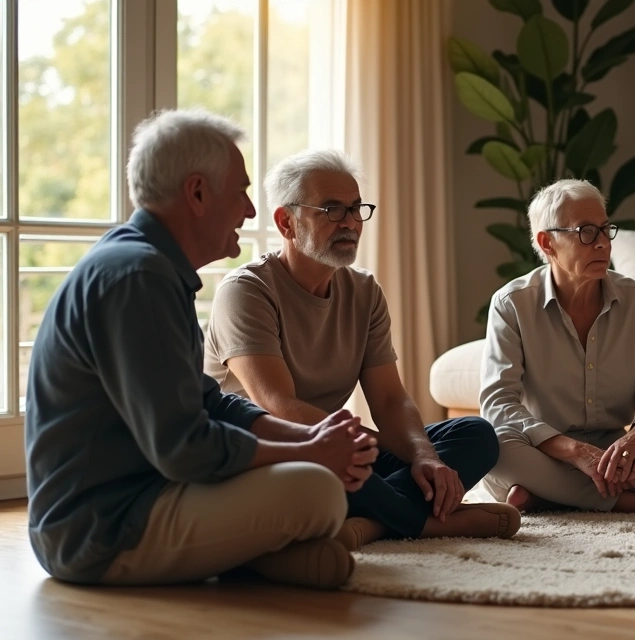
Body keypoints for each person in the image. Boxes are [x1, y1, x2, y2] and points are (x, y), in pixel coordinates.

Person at [25, 110, 377, 590]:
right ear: (196, 193)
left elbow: (211, 402)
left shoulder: (150, 267)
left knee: (313, 477)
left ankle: (261, 559)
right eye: (241, 192)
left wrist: (308, 439)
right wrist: (310, 453)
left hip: (145, 494)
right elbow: (184, 448)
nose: (249, 211)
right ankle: (257, 556)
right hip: (98, 531)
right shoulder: (139, 277)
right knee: (317, 490)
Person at [204, 149, 519, 548]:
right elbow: (279, 407)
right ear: (286, 222)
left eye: (356, 208)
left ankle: (371, 522)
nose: (350, 222)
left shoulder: (364, 291)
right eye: (332, 210)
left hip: (337, 447)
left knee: (476, 434)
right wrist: (363, 446)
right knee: (327, 470)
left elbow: (389, 400)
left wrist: (423, 455)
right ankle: (422, 523)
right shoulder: (245, 291)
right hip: (270, 452)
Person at [480, 179, 635, 514]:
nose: (603, 243)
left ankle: (549, 496)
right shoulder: (511, 304)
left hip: (619, 456)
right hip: (545, 452)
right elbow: (499, 404)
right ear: (547, 242)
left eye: (605, 230)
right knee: (494, 446)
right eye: (586, 232)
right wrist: (574, 452)